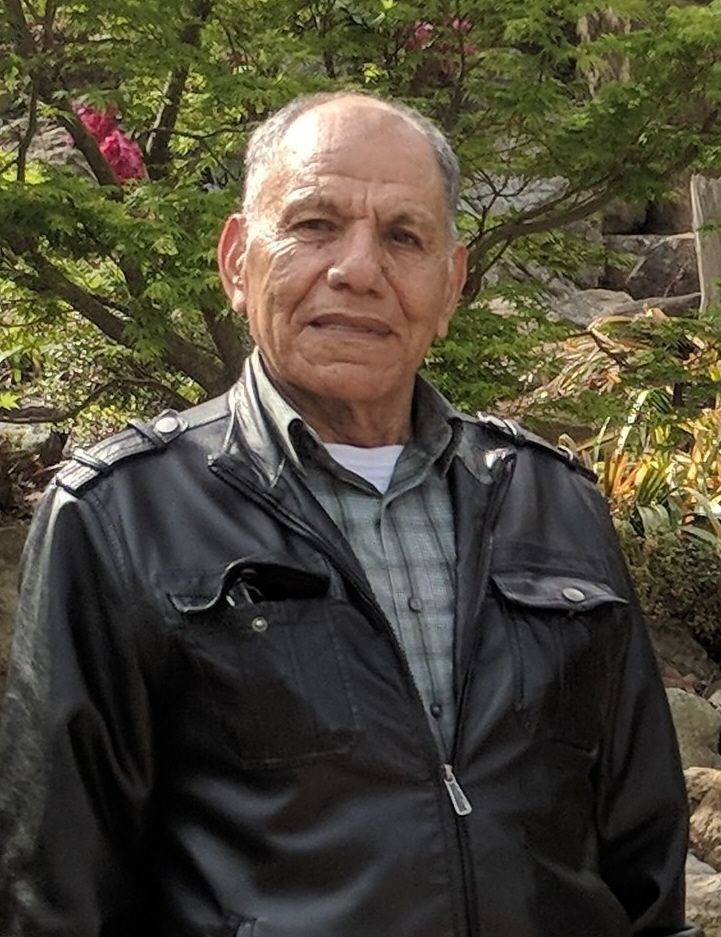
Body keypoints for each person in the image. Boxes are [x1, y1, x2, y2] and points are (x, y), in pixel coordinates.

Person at [0, 91, 699, 937]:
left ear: (450, 284)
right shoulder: (122, 516)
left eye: (403, 237)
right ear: (236, 261)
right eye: (314, 225)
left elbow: (644, 861)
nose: (358, 269)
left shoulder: (553, 503)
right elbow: (55, 892)